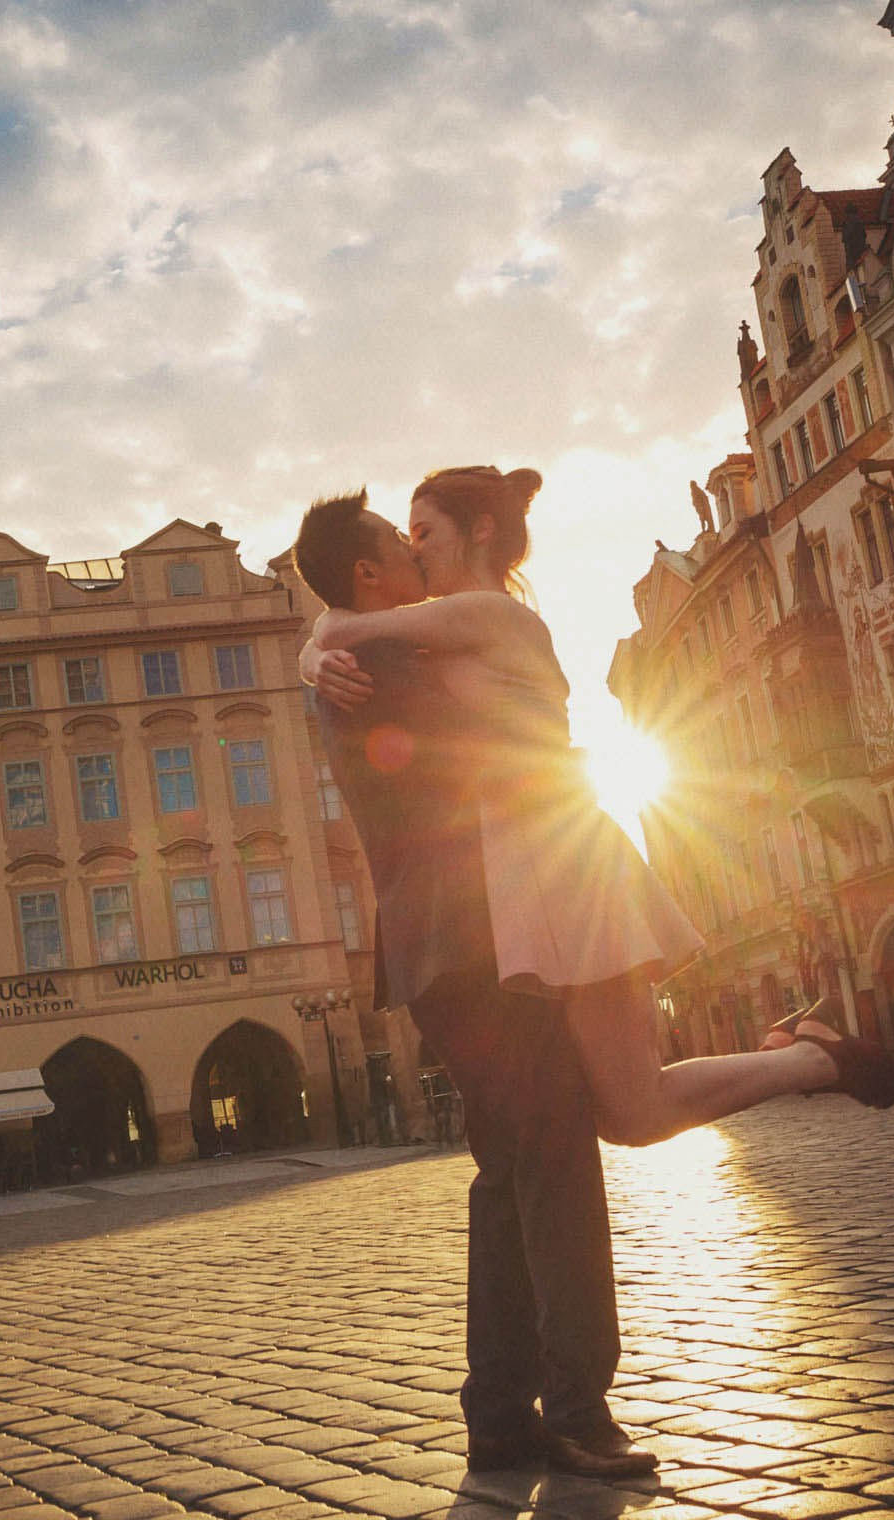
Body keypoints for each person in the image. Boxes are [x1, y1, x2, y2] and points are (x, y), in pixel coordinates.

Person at [302, 466, 894, 1143]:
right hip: (540, 870)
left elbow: (340, 626)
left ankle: (810, 1058)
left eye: (424, 532)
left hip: (569, 868)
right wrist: (316, 652)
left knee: (635, 1109)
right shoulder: (434, 631)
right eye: (406, 536)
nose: (412, 550)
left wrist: (314, 656)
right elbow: (344, 616)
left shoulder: (489, 613)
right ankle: (805, 1055)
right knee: (627, 1114)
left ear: (481, 531)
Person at [292, 488, 656, 1482]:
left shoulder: (348, 647)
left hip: (432, 944)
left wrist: (310, 642)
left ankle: (499, 1412)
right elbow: (518, 743)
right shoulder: (393, 654)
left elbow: (327, 621)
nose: (418, 561)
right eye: (399, 548)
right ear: (370, 577)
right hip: (477, 935)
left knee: (507, 1170)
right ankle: (581, 1405)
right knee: (557, 1156)